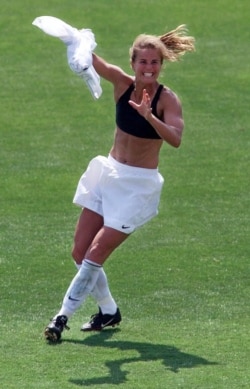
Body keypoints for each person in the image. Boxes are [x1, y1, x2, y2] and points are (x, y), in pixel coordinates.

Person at [44, 24, 195, 342]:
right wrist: (77, 41)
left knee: (96, 252)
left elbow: (177, 139)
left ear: (161, 66)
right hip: (108, 175)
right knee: (79, 251)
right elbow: (89, 59)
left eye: (155, 63)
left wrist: (149, 116)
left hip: (137, 188)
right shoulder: (121, 83)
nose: (149, 68)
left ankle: (61, 318)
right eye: (143, 62)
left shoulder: (168, 100)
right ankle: (109, 310)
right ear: (133, 64)